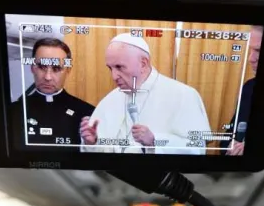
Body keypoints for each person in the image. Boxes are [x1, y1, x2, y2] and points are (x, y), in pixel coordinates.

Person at [80, 33, 211, 154]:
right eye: (110, 68)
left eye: (119, 67)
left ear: (143, 63)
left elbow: (198, 148)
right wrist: (92, 143)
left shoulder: (183, 95)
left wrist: (155, 142)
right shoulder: (110, 99)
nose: (114, 76)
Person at [11, 38, 94, 149]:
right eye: (42, 67)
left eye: (56, 68)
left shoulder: (88, 113)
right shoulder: (12, 112)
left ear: (68, 70)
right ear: (32, 68)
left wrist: (92, 145)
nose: (47, 77)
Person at [219, 26, 263, 155]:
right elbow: (227, 139)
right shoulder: (249, 87)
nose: (251, 58)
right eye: (251, 50)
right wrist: (230, 147)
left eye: (259, 50)